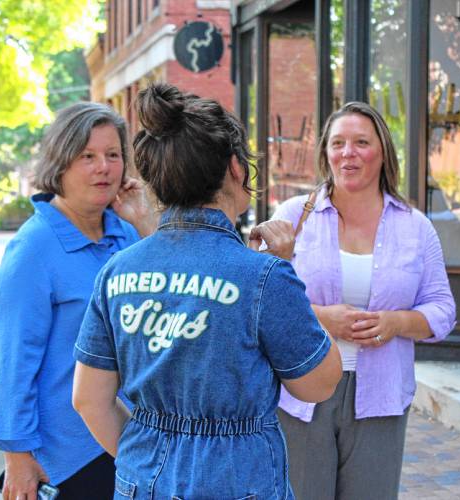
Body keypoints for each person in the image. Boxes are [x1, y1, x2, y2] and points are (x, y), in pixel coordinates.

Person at [71, 83, 342, 499]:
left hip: (141, 479)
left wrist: (144, 453)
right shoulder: (264, 276)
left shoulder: (116, 271)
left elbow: (89, 400)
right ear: (235, 167)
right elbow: (318, 384)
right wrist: (286, 271)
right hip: (239, 480)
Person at [273, 101, 456, 500]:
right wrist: (321, 318)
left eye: (360, 142)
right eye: (337, 143)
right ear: (325, 152)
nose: (347, 153)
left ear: (383, 152)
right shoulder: (293, 218)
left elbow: (442, 308)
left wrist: (397, 323)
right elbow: (261, 301)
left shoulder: (415, 227)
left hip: (382, 393)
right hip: (303, 390)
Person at [0, 102, 156, 500]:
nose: (105, 168)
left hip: (130, 438)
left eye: (113, 155)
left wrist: (145, 221)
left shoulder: (126, 234)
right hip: (69, 454)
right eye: (88, 156)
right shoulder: (33, 250)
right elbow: (13, 362)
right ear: (60, 163)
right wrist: (17, 456)